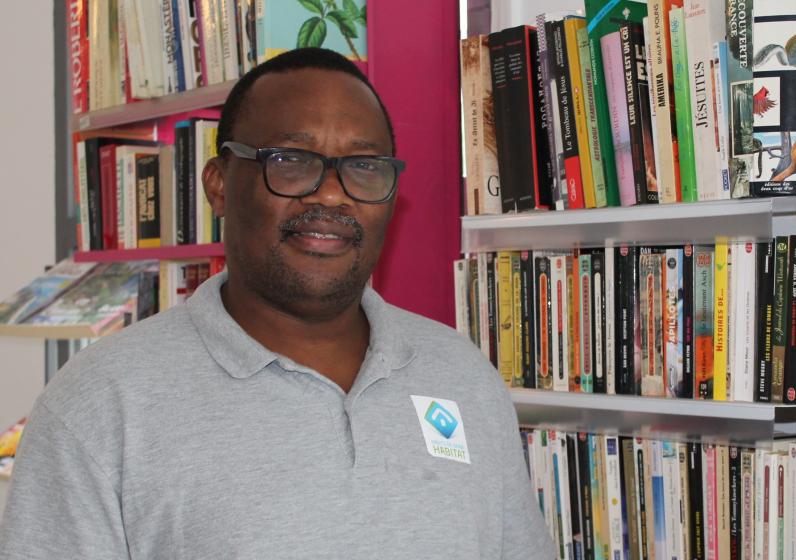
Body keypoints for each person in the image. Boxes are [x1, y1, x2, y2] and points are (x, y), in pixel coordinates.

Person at [0, 48, 552, 559]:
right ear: (218, 184)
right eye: (290, 160)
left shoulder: (462, 376)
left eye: (363, 166)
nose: (332, 193)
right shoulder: (101, 405)